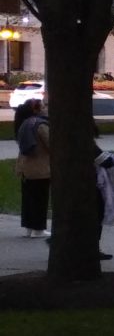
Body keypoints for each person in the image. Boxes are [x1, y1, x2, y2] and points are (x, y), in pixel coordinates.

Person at [13, 99, 50, 237]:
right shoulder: (40, 125)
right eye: (44, 106)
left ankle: (29, 227)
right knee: (40, 199)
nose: (46, 108)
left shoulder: (25, 123)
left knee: (28, 200)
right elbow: (52, 144)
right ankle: (39, 229)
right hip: (40, 168)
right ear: (37, 110)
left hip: (25, 168)